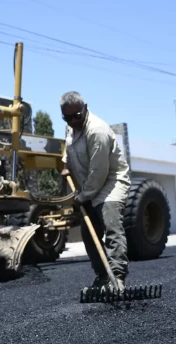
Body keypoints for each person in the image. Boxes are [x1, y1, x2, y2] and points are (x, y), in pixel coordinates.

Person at [59, 91, 131, 292]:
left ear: (86, 108)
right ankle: (102, 276)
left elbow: (99, 172)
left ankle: (117, 278)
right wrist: (66, 162)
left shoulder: (97, 131)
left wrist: (82, 197)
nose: (72, 121)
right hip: (89, 184)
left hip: (110, 181)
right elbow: (69, 143)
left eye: (77, 116)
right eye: (67, 117)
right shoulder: (71, 125)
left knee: (110, 224)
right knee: (88, 232)